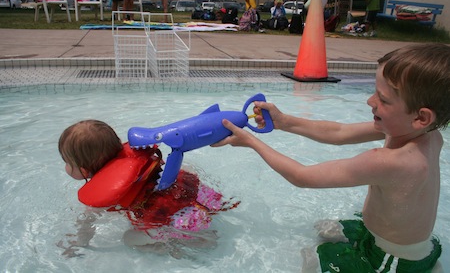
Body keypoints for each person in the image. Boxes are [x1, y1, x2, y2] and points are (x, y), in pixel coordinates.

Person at [212, 43, 449, 272]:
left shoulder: (391, 161)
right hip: (394, 239)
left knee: (315, 260)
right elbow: (339, 133)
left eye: (383, 99)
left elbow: (302, 177)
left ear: (421, 117)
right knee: (326, 230)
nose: (370, 101)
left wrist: (251, 141)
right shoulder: (424, 133)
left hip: (392, 260)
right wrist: (284, 121)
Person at [58, 120, 238, 257]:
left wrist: (77, 244)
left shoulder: (98, 198)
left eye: (67, 162)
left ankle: (170, 244)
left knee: (130, 239)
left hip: (176, 220)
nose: (66, 167)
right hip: (196, 193)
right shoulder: (137, 160)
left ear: (83, 170)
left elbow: (85, 228)